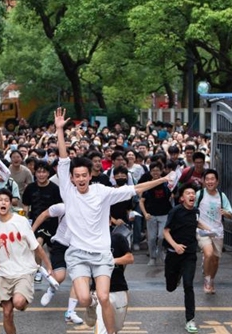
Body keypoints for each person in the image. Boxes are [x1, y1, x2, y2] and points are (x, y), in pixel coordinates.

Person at [54, 107, 170, 334]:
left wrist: (162, 179)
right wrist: (60, 130)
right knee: (85, 299)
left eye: (84, 175)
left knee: (105, 296)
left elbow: (135, 189)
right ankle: (89, 308)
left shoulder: (102, 191)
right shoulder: (67, 191)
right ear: (71, 178)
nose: (80, 179)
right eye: (76, 176)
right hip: (77, 253)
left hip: (101, 254)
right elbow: (63, 158)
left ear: (90, 175)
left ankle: (111, 332)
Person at [0, 188, 53, 334]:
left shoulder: (21, 221)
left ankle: (23, 301)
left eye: (6, 200)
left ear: (10, 204)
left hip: (24, 271)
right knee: (7, 313)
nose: (3, 203)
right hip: (4, 274)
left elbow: (36, 246)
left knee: (18, 302)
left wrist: (49, 266)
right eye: (0, 200)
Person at [164, 184, 210, 333]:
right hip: (173, 253)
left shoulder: (196, 211)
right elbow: (166, 231)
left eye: (193, 193)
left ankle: (190, 319)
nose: (192, 195)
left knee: (188, 285)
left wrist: (209, 229)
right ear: (182, 198)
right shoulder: (175, 211)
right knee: (170, 287)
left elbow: (196, 222)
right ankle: (176, 276)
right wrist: (175, 245)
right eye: (188, 193)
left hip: (190, 253)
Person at [31, 203, 84, 325]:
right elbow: (44, 214)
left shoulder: (89, 209)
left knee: (78, 278)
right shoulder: (62, 207)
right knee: (59, 277)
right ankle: (51, 289)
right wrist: (31, 231)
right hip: (60, 245)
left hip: (78, 247)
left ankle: (70, 312)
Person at [195, 169, 232, 294]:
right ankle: (206, 281)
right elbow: (192, 210)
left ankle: (211, 280)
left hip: (217, 231)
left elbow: (230, 214)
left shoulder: (222, 196)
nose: (210, 181)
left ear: (217, 181)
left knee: (215, 260)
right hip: (202, 230)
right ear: (203, 181)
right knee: (209, 254)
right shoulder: (199, 194)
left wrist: (226, 213)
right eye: (207, 179)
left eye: (212, 179)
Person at [92, 227, 134, 334]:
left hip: (119, 288)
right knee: (102, 329)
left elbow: (130, 258)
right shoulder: (89, 240)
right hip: (99, 292)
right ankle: (91, 308)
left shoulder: (118, 238)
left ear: (109, 222)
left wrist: (111, 261)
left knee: (116, 327)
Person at [139, 161, 173, 266]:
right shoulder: (148, 185)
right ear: (150, 172)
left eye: (157, 170)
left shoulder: (167, 183)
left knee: (162, 236)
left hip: (164, 214)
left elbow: (173, 195)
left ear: (161, 171)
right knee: (152, 237)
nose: (155, 172)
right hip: (151, 215)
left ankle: (161, 251)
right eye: (153, 170)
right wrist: (145, 214)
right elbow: (141, 201)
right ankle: (152, 257)